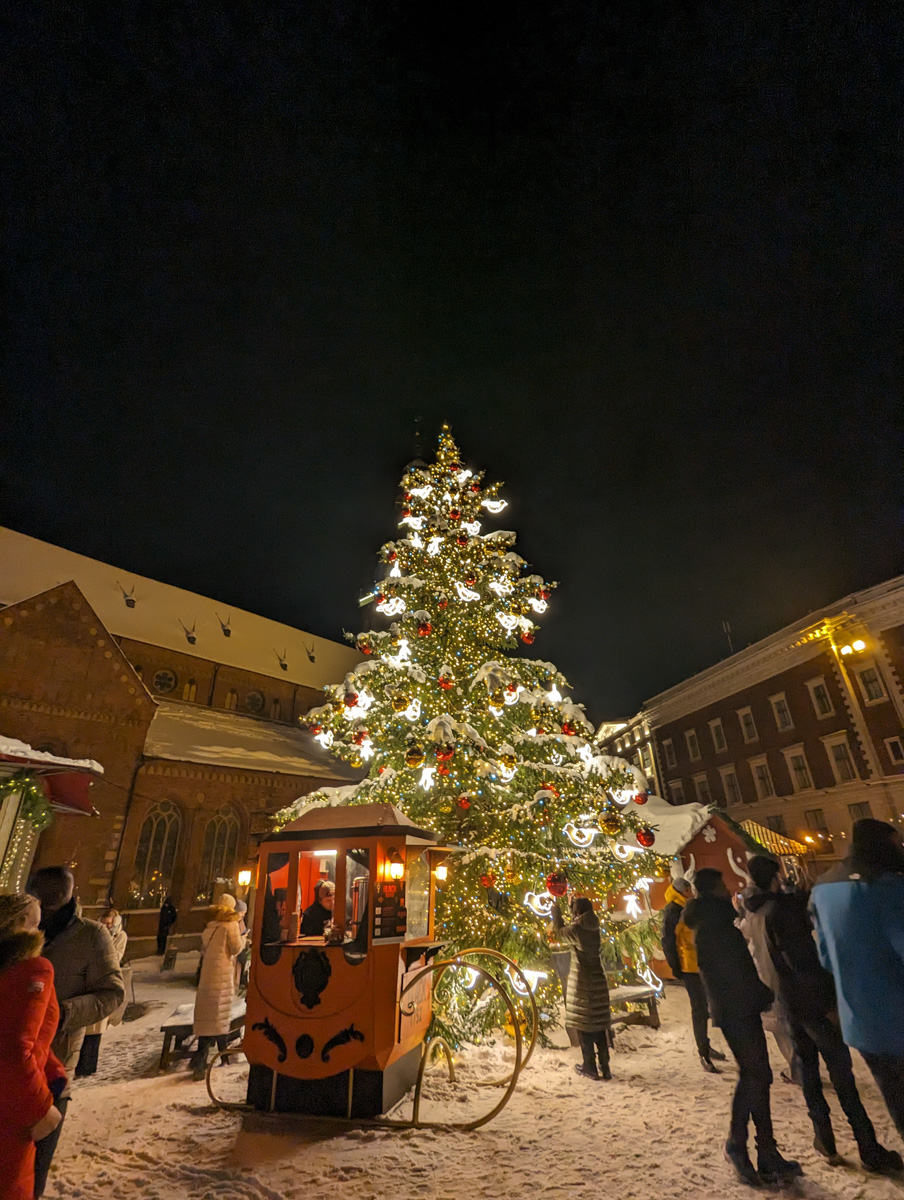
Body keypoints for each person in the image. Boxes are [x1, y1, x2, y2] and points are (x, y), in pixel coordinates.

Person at [758, 856, 902, 1176]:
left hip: (790, 1004)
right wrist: (828, 1003)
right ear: (775, 878)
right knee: (843, 1078)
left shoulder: (762, 913)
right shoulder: (785, 912)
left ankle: (825, 1139)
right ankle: (868, 1147)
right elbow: (806, 961)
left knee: (809, 1073)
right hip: (815, 1006)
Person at [684, 867, 801, 1187]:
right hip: (736, 1009)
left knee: (758, 1076)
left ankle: (766, 1151)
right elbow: (729, 971)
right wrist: (757, 993)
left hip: (741, 1007)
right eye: (722, 885)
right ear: (713, 890)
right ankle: (738, 1145)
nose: (728, 890)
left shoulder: (715, 922)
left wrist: (757, 994)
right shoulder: (713, 926)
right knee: (754, 1076)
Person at [27, 866, 124, 1196]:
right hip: (10, 1064)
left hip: (53, 1067)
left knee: (33, 1170)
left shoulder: (91, 936)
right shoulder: (18, 927)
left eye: (42, 892)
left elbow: (112, 994)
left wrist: (63, 1014)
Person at [810, 817, 904, 1142]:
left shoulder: (822, 888)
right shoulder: (888, 888)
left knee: (897, 1100)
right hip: (897, 1015)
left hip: (860, 1021)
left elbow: (825, 957)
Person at [0, 893, 67, 1200]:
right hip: (15, 1105)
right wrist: (41, 1108)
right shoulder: (34, 969)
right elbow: (15, 1047)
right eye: (36, 924)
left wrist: (54, 1071)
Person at [738, 859, 802, 1085]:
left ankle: (797, 1068)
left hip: (765, 969)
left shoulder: (751, 908)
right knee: (789, 1021)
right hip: (782, 968)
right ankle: (800, 1070)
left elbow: (745, 932)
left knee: (780, 1023)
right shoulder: (776, 906)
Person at [661, 876, 726, 1073]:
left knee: (707, 1006)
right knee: (699, 1008)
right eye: (687, 890)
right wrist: (675, 966)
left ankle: (705, 1044)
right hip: (688, 966)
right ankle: (703, 1052)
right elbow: (668, 939)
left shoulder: (691, 906)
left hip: (701, 962)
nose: (690, 893)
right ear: (680, 891)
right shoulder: (673, 910)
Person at [549, 894, 611, 1080]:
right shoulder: (594, 926)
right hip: (598, 981)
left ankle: (589, 1066)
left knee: (584, 1027)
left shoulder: (576, 929)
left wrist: (556, 912)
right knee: (599, 1027)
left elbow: (560, 933)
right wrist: (571, 909)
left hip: (583, 983)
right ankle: (605, 1067)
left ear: (577, 912)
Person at [189, 893, 245, 1081]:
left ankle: (203, 1058)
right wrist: (244, 939)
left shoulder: (210, 926)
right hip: (222, 977)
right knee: (219, 1016)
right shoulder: (231, 925)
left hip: (208, 977)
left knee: (209, 1017)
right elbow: (235, 948)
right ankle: (215, 1058)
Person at [75, 908, 129, 1077]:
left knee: (96, 1027)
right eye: (104, 923)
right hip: (90, 981)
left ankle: (88, 1065)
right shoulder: (95, 934)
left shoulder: (120, 936)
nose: (106, 926)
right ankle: (80, 1064)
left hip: (104, 981)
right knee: (86, 1026)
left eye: (109, 923)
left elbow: (115, 957)